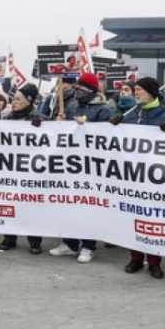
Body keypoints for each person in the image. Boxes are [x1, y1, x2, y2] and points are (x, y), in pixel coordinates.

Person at [48, 72, 114, 263]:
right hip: (71, 165)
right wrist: (59, 124)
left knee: (88, 206)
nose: (77, 91)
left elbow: (107, 136)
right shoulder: (72, 106)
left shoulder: (103, 110)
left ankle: (88, 245)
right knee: (68, 204)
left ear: (91, 91)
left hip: (91, 167)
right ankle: (69, 243)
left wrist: (87, 126)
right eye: (76, 88)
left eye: (80, 88)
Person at [119, 77, 165, 277]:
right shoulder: (131, 114)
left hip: (157, 177)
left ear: (152, 93)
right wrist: (113, 125)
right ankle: (136, 258)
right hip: (134, 176)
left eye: (139, 90)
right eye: (135, 89)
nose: (136, 93)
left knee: (154, 219)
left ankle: (154, 261)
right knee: (134, 218)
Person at [0, 83, 45, 253]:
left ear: (29, 101)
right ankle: (9, 238)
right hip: (12, 169)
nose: (14, 102)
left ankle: (34, 242)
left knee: (32, 207)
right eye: (14, 99)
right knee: (11, 205)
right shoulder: (8, 118)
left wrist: (45, 127)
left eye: (18, 99)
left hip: (31, 171)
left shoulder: (38, 118)